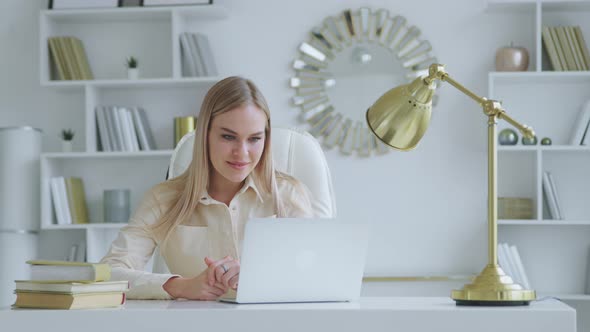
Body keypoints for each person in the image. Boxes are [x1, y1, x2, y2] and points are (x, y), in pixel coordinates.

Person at [100, 76, 313, 300]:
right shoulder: (163, 199)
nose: (241, 153)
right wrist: (180, 286)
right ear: (205, 135)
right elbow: (109, 275)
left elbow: (316, 273)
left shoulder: (288, 195)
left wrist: (258, 276)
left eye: (254, 139)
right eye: (228, 137)